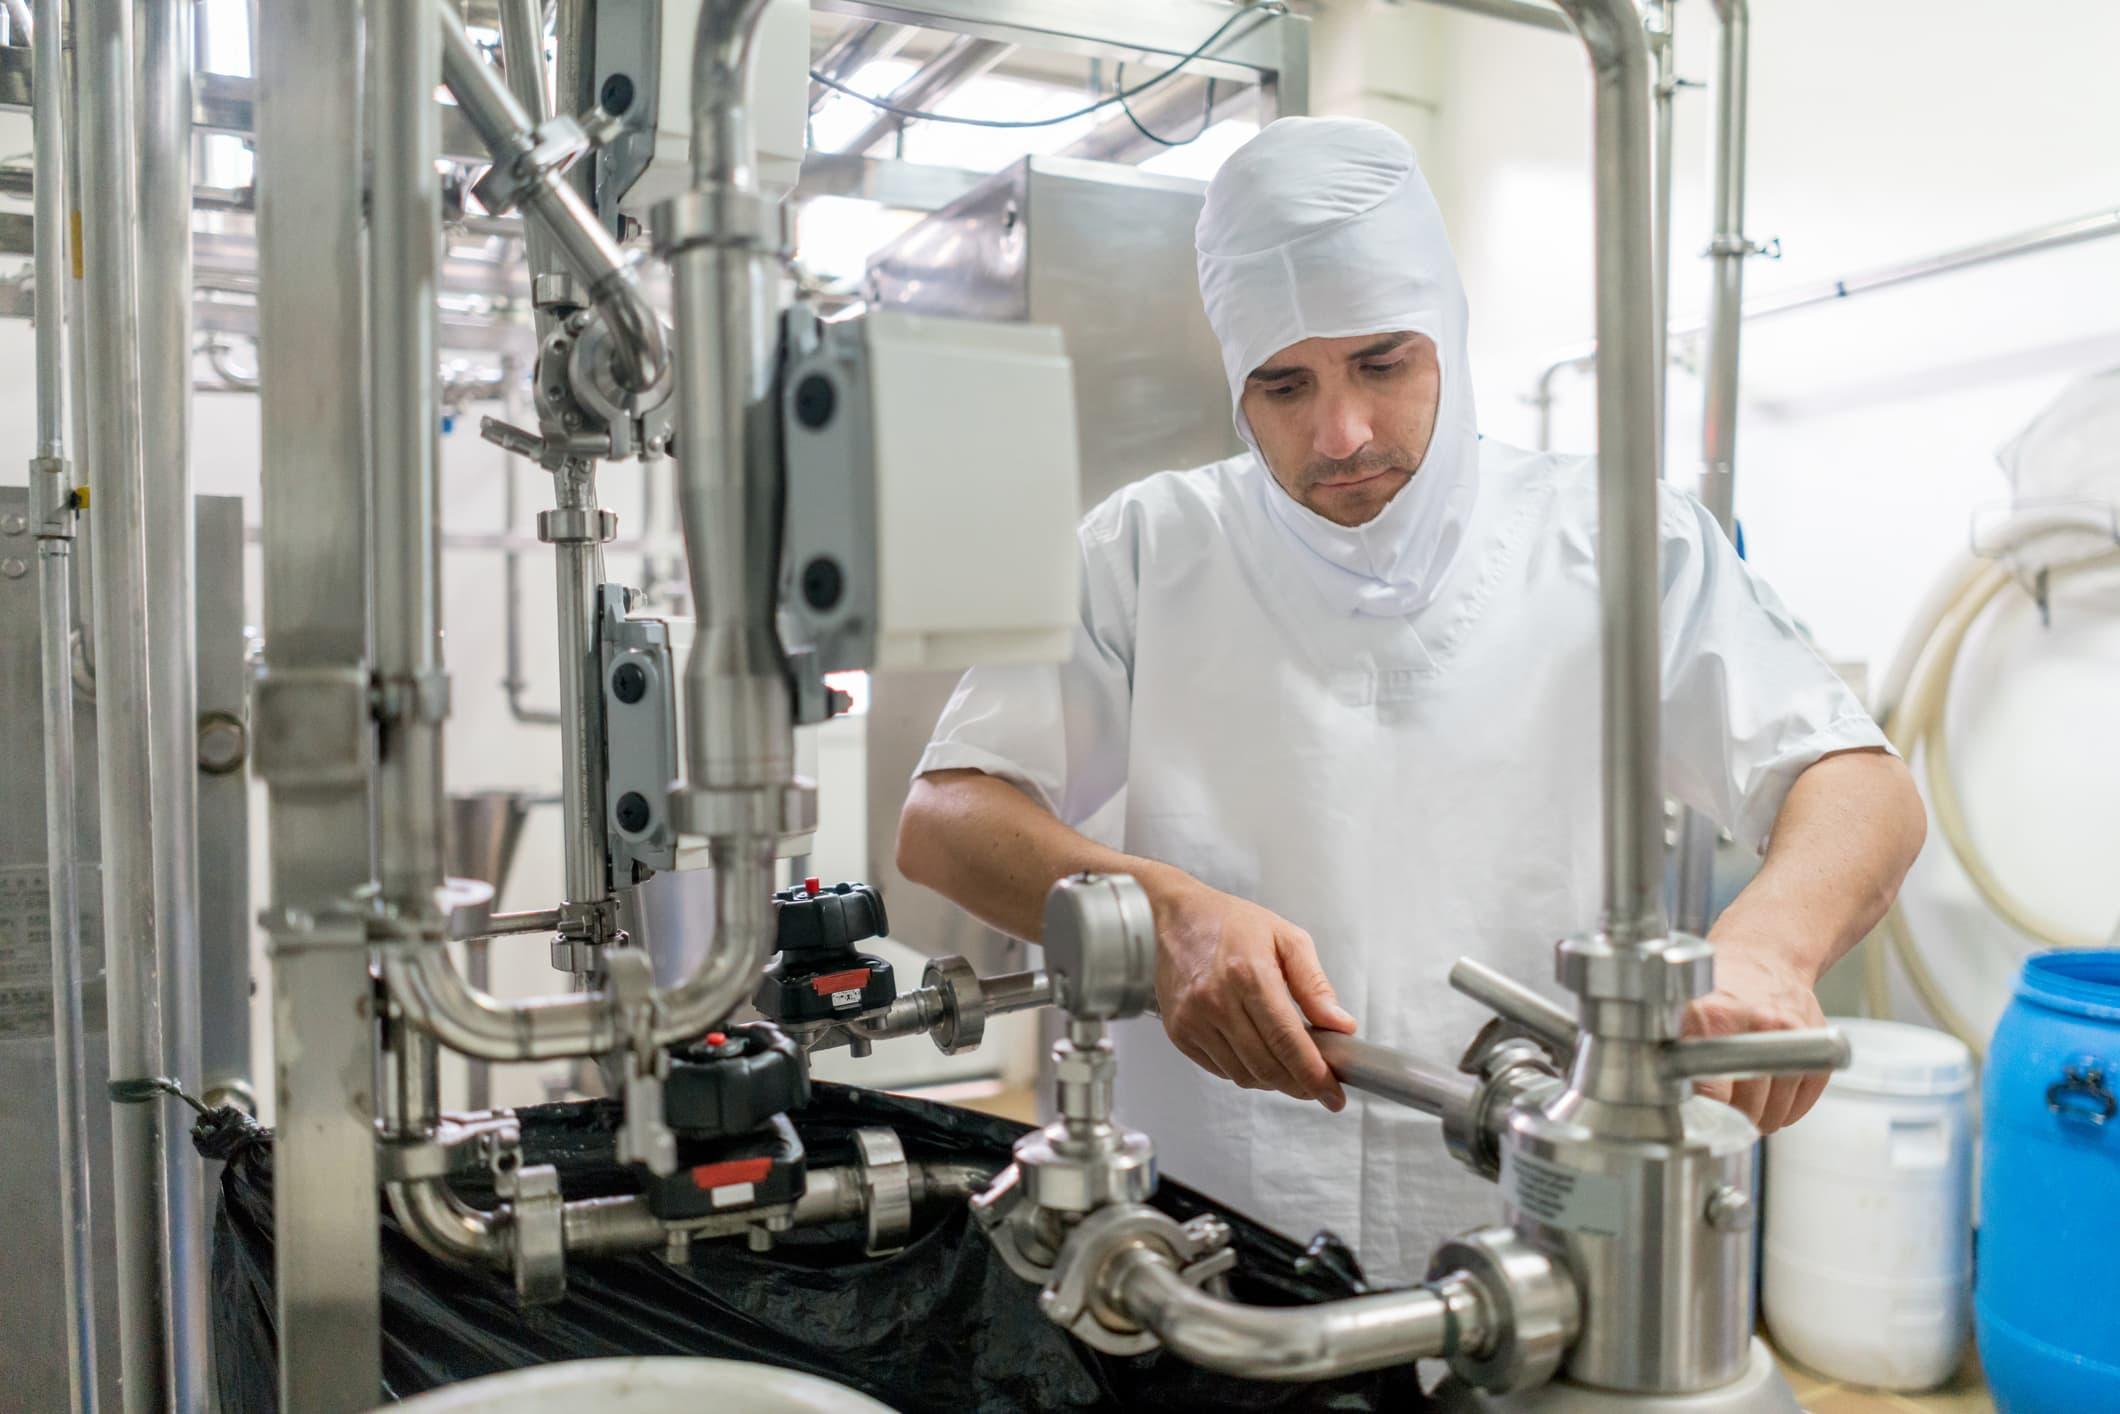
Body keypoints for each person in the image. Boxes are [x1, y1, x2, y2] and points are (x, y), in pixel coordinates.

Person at [893, 116, 1926, 1281]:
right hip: (1209, 1230)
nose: (1339, 433)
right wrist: (1163, 913)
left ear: (1449, 336)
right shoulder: (1149, 547)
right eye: (1283, 385)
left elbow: (1858, 782)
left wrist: (1768, 951)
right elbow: (944, 820)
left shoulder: (1616, 540)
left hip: (1530, 1222)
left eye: (1382, 363)